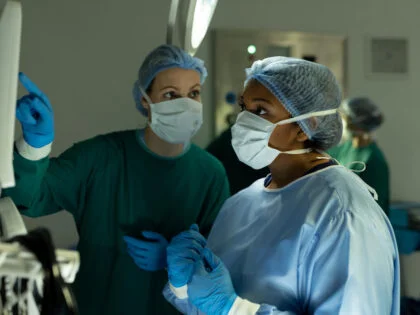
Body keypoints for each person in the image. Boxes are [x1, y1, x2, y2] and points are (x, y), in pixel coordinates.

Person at [162, 57, 400, 314]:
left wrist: (234, 309)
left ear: (305, 126)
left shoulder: (341, 213)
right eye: (244, 107)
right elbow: (209, 306)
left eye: (261, 110)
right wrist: (183, 286)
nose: (243, 120)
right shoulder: (241, 204)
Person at [4, 44, 229, 314]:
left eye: (193, 93)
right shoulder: (100, 158)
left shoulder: (210, 174)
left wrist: (174, 260)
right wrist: (34, 145)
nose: (186, 105)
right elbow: (30, 198)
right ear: (146, 100)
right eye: (171, 94)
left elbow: (221, 262)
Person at [328, 97, 390, 214]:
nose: (340, 121)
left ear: (355, 123)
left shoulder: (373, 160)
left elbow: (376, 209)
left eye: (344, 117)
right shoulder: (346, 147)